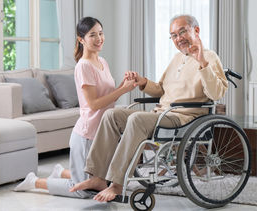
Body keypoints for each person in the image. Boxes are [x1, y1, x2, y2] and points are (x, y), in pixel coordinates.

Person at [70, 14, 228, 202]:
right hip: (162, 114)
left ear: (196, 31)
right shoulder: (177, 58)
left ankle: (117, 184)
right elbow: (161, 89)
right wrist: (142, 81)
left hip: (184, 117)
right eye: (174, 35)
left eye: (182, 32)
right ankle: (97, 177)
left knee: (137, 119)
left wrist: (202, 61)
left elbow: (216, 93)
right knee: (112, 115)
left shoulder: (210, 57)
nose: (179, 38)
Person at [13, 17, 137, 198]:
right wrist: (122, 90)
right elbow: (93, 104)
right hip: (87, 135)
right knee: (84, 191)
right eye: (92, 35)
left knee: (99, 183)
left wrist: (124, 85)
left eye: (101, 33)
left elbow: (107, 97)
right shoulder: (83, 66)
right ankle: (34, 181)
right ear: (81, 39)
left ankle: (61, 172)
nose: (99, 39)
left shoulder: (103, 62)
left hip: (103, 133)